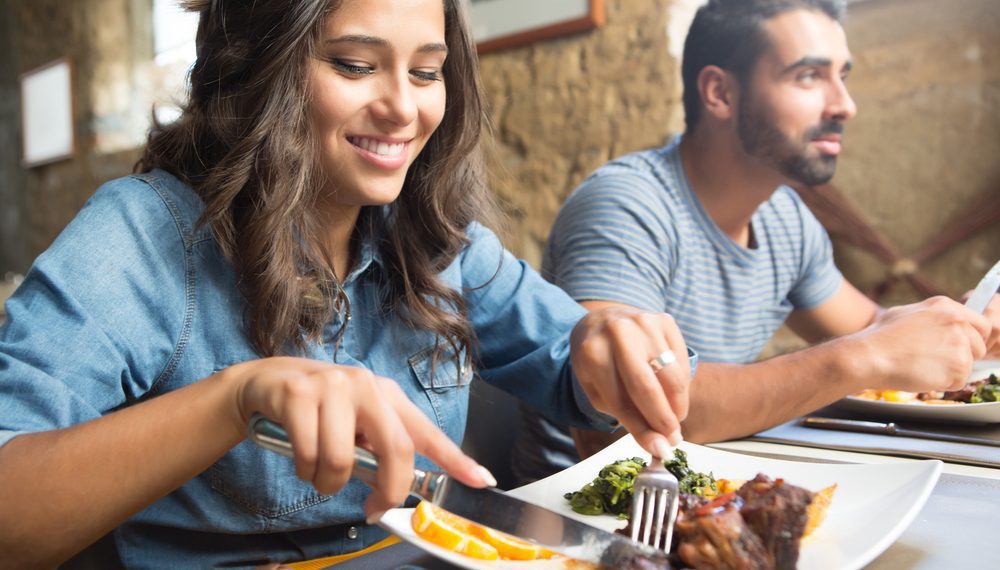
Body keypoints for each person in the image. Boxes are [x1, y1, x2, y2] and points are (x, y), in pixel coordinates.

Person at [0, 0, 695, 567]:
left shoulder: (434, 238)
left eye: (427, 73)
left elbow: (577, 369)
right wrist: (237, 399)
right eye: (356, 65)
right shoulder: (140, 234)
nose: (403, 107)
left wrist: (608, 350)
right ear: (256, 66)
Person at [512, 0, 998, 486]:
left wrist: (963, 321)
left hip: (709, 491)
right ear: (720, 92)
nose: (844, 105)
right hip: (576, 514)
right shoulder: (627, 205)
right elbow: (631, 406)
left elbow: (872, 327)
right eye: (809, 76)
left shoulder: (785, 216)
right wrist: (861, 357)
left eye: (842, 76)